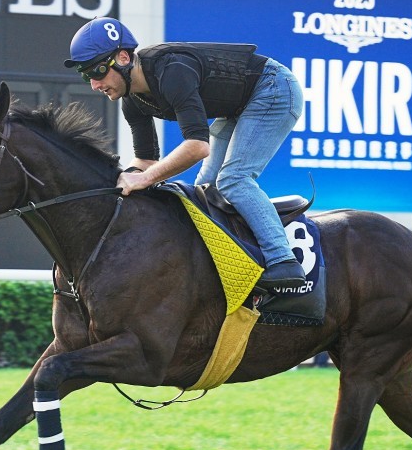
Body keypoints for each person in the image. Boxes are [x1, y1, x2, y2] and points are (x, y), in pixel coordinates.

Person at [64, 17, 306, 290]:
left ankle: (283, 261)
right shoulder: (132, 101)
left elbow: (198, 146)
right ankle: (234, 263)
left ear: (123, 58)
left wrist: (144, 179)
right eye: (86, 75)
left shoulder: (172, 71)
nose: (94, 85)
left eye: (97, 72)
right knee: (206, 188)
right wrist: (122, 180)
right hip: (239, 106)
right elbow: (146, 161)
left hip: (273, 87)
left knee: (233, 179)